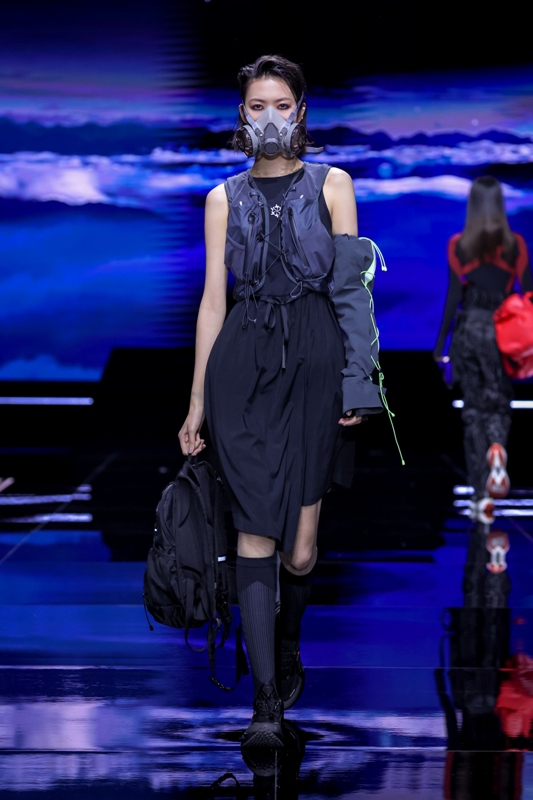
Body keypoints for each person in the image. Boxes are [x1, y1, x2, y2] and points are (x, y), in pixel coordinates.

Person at [179, 55, 384, 748]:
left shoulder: (334, 185)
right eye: (256, 105)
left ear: (301, 111)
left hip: (315, 358)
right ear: (241, 115)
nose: (269, 117)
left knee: (299, 551)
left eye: (281, 105)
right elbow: (213, 301)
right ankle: (264, 702)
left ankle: (285, 641)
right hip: (243, 361)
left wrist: (360, 380)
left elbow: (352, 289)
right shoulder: (222, 198)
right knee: (255, 533)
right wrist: (196, 401)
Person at [434, 176, 533, 521]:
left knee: (473, 410)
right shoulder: (516, 244)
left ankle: (480, 496)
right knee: (498, 401)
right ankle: (497, 447)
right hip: (501, 331)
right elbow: (528, 293)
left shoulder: (458, 244)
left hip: (468, 330)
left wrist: (440, 345)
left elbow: (452, 297)